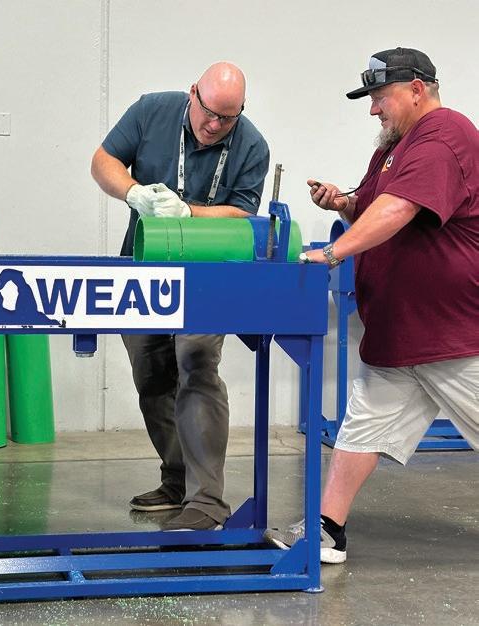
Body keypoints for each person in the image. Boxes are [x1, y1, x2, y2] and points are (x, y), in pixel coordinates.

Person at [264, 47, 478, 563]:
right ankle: (327, 528)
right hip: (402, 332)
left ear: (417, 90)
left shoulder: (444, 136)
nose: (373, 109)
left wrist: (332, 252)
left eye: (381, 97)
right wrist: (344, 203)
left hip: (452, 336)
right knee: (362, 427)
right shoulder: (397, 147)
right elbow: (377, 202)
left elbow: (400, 208)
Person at [91, 62, 270, 530]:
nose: (214, 125)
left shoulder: (252, 145)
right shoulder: (152, 111)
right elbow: (103, 161)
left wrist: (189, 212)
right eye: (209, 112)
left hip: (207, 278)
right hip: (144, 270)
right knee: (150, 372)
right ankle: (176, 481)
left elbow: (242, 217)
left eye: (227, 118)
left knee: (196, 363)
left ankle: (206, 502)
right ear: (193, 93)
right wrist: (133, 193)